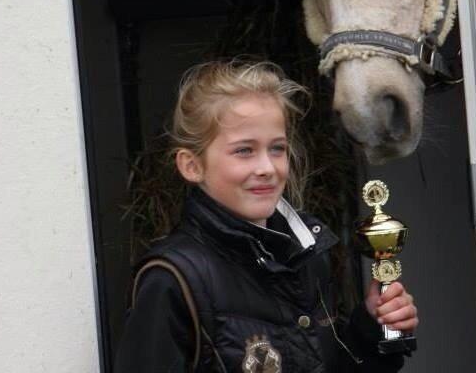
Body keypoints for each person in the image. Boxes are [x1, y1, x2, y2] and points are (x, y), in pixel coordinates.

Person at [115, 60, 419, 372]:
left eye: (277, 149)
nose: (267, 168)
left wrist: (372, 328)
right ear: (192, 165)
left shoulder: (308, 254)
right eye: (244, 151)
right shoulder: (173, 278)